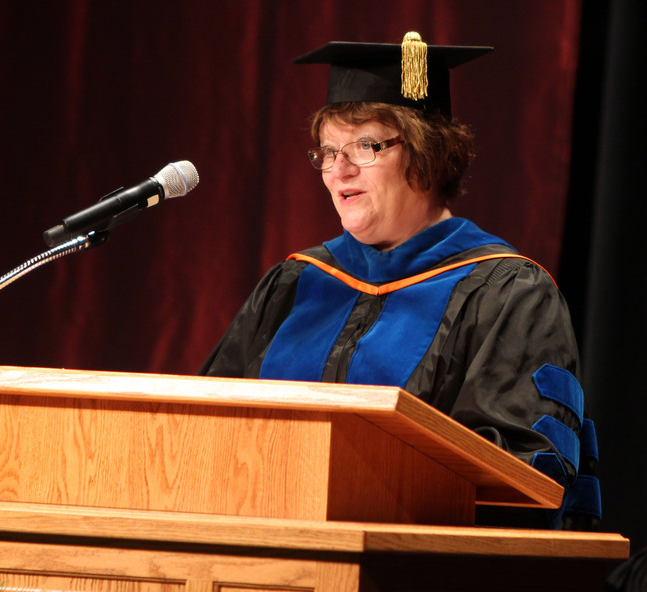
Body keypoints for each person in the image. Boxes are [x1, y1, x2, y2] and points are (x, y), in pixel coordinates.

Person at [199, 32, 600, 530]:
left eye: (365, 146)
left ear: (427, 152)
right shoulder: (295, 283)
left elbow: (525, 469)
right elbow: (204, 429)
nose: (338, 169)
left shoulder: (508, 293)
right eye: (326, 151)